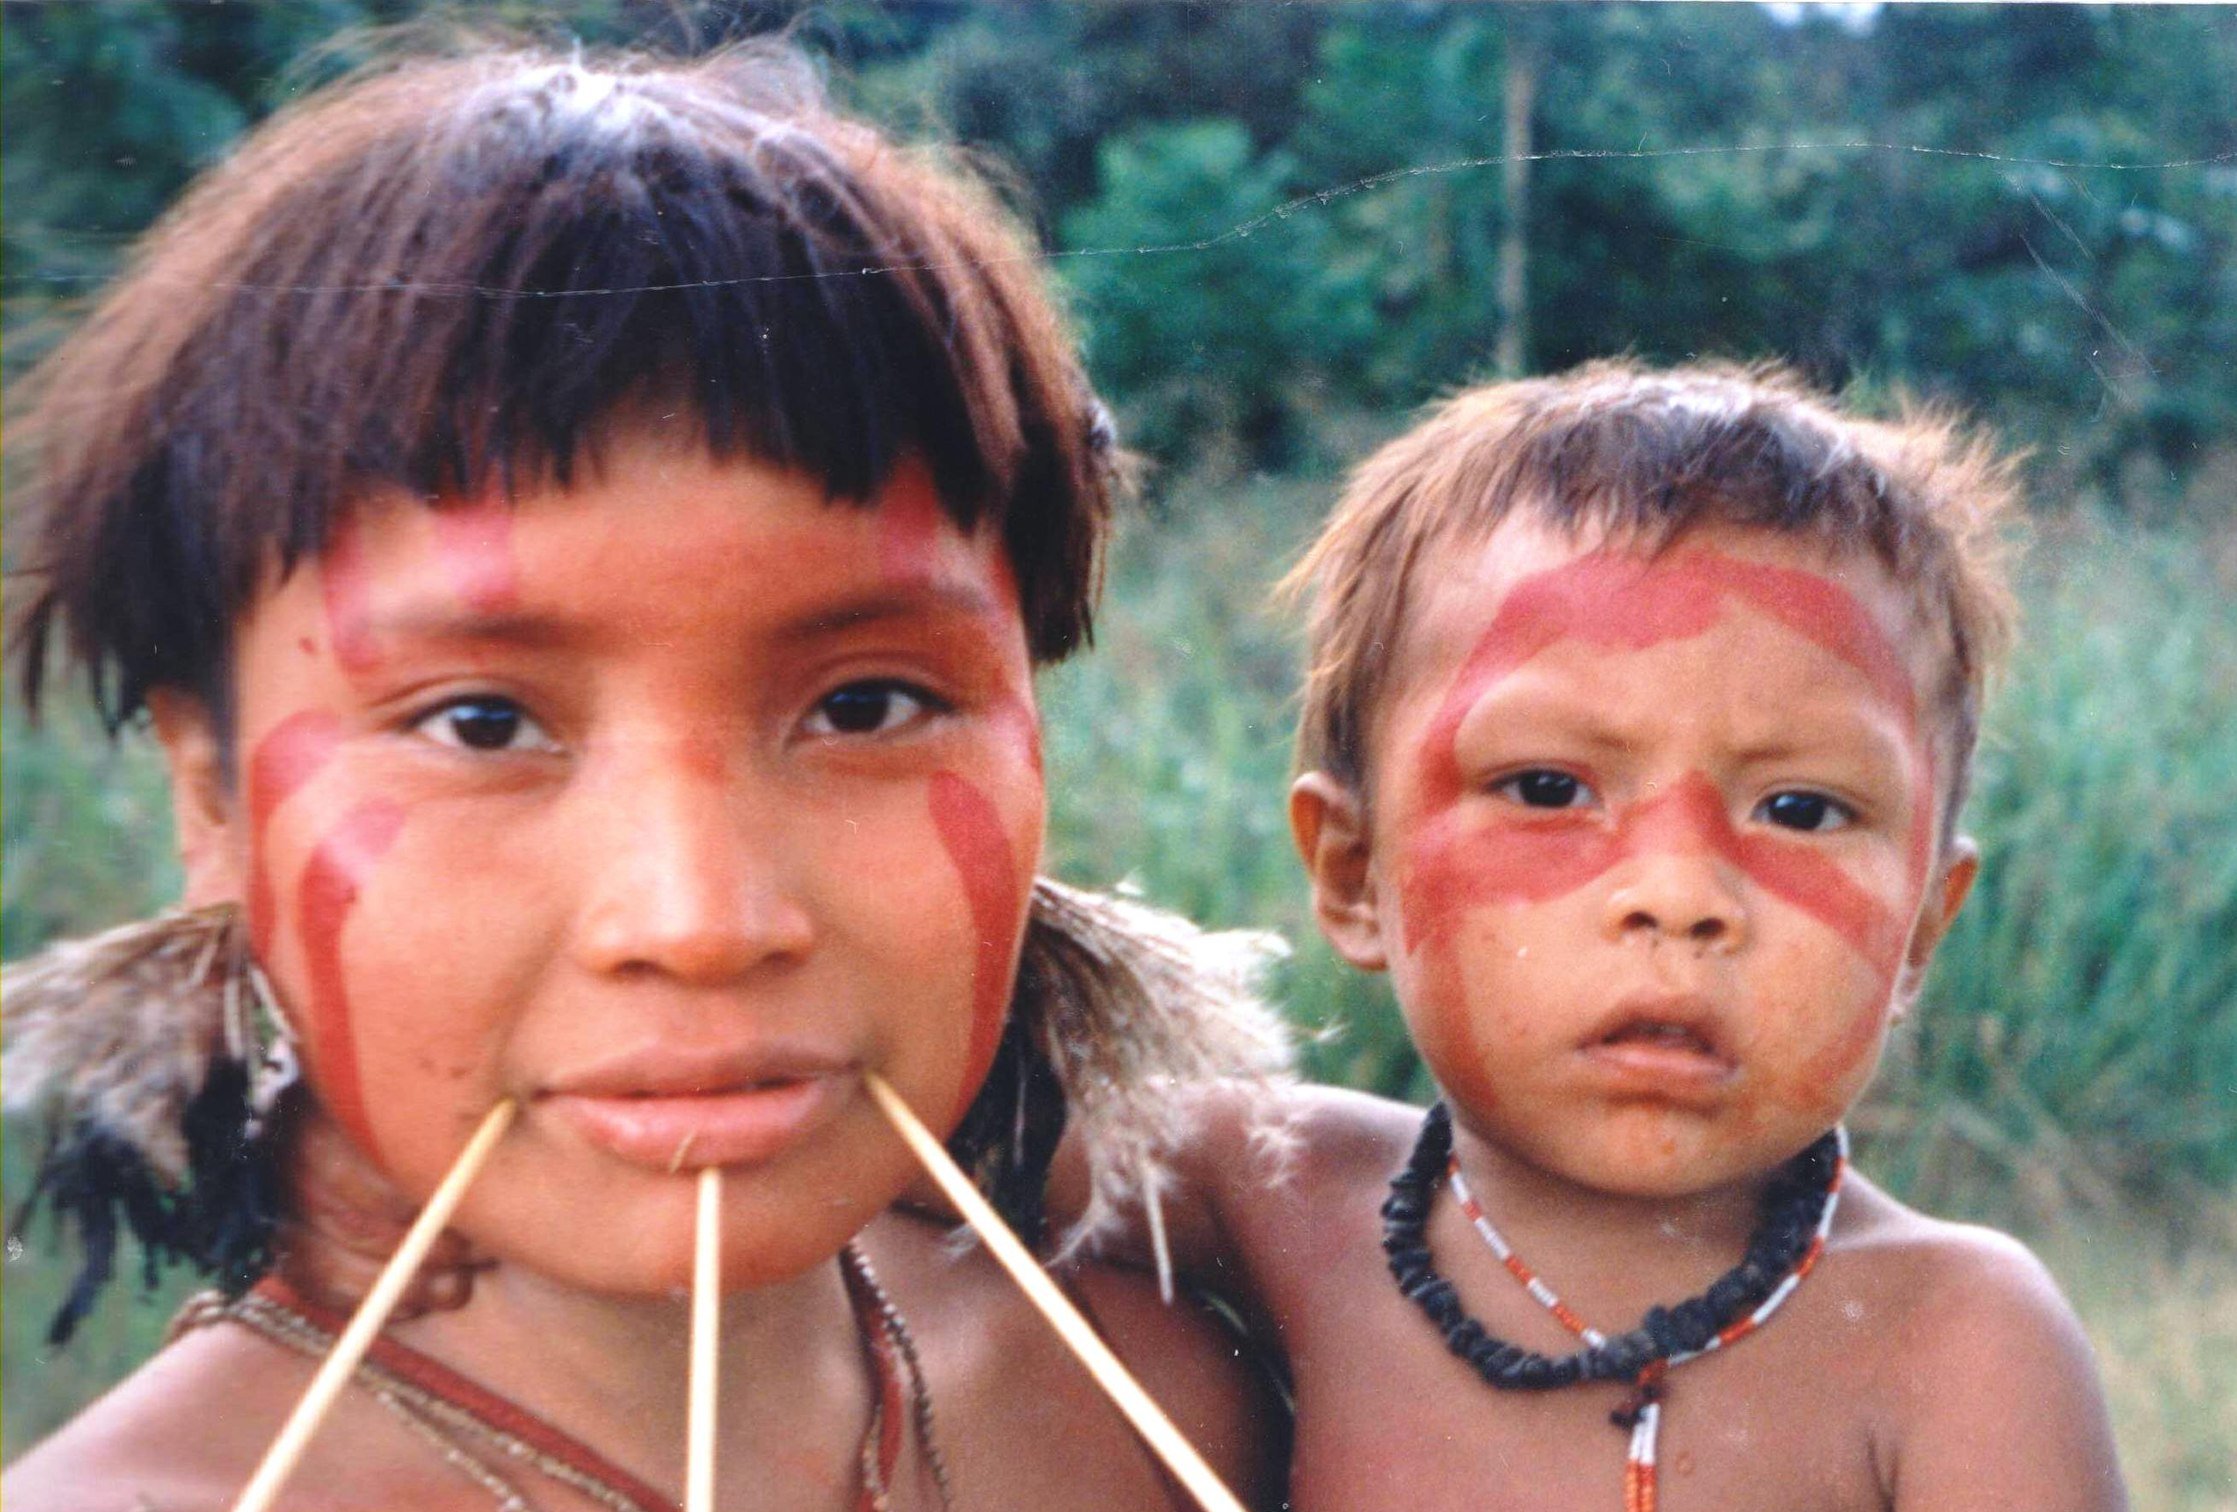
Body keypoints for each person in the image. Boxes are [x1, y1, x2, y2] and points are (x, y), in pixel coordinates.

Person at [0, 39, 1293, 1511]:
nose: (700, 918)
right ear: (212, 800)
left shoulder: (1164, 1414)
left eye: (867, 703)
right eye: (480, 724)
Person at [1069, 363, 2129, 1508]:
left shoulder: (1954, 1345)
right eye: (1544, 787)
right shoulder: (1277, 1196)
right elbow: (923, 1134)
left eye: (1800, 810)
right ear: (1353, 871)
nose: (1678, 893)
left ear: (1920, 927)